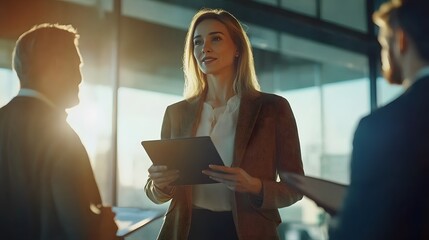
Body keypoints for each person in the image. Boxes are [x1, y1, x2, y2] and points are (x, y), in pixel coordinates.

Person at [145, 8, 304, 240]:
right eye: (197, 42)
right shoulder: (176, 113)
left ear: (238, 49)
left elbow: (295, 187)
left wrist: (255, 186)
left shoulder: (273, 108)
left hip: (247, 231)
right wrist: (159, 184)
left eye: (216, 39)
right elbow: (155, 191)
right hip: (187, 231)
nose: (204, 48)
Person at [0, 23, 119, 240]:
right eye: (76, 66)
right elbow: (81, 231)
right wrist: (105, 226)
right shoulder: (61, 137)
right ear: (55, 66)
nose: (80, 78)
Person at [330, 0, 429, 239]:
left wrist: (337, 225)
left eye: (384, 43)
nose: (383, 55)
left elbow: (363, 232)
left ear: (401, 39)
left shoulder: (382, 126)